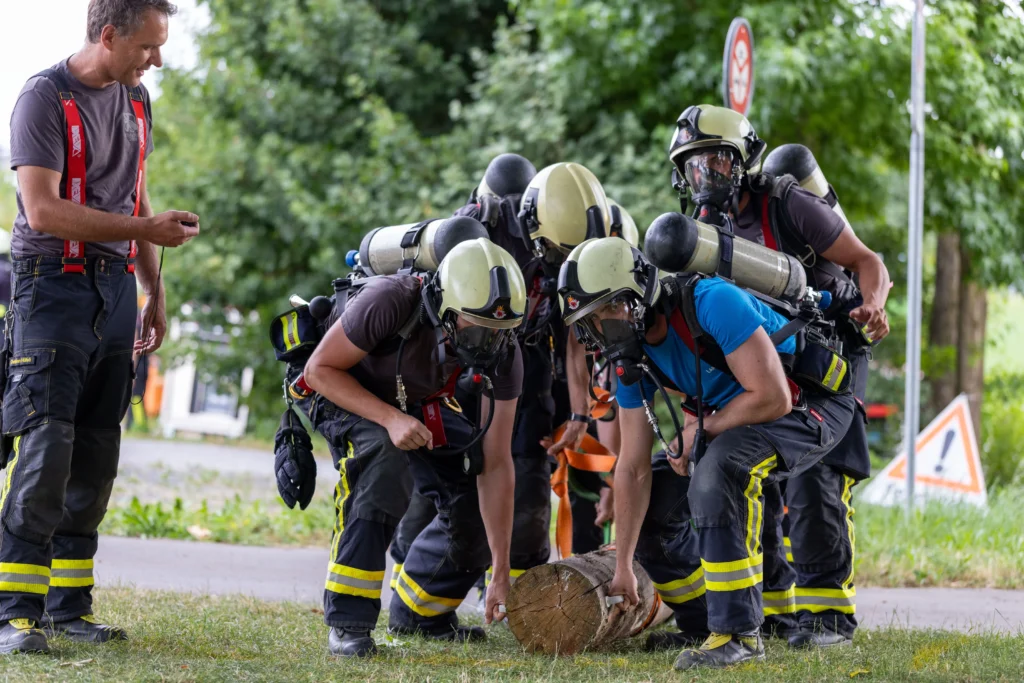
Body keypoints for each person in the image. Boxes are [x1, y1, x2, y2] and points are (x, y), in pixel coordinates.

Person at [1, 0, 199, 655]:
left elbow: (136, 195)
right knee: (47, 450)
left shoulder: (136, 101)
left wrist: (154, 290)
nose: (157, 60)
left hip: (115, 292)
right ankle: (13, 613)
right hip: (50, 286)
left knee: (96, 453)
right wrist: (144, 231)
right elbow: (44, 209)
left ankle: (67, 607)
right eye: (147, 46)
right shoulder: (41, 98)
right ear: (108, 34)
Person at [557, 237, 856, 670]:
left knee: (718, 470)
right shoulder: (631, 356)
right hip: (743, 413)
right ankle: (704, 623)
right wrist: (623, 561)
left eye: (604, 313)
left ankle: (739, 635)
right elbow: (633, 467)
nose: (598, 332)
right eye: (588, 322)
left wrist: (701, 430)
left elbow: (773, 397)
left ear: (635, 297)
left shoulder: (711, 301)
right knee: (655, 504)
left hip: (812, 402)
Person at [667, 103, 891, 647]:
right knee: (750, 471)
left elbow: (868, 261)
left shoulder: (785, 203)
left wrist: (873, 305)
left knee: (819, 479)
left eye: (717, 160)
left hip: (831, 350)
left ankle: (830, 616)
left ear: (742, 161)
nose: (707, 175)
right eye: (694, 165)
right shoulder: (698, 233)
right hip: (766, 360)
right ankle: (776, 611)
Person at [289, 237, 526, 657]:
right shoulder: (390, 300)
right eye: (479, 327)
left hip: (413, 398)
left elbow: (497, 463)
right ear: (447, 309)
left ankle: (423, 613)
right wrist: (391, 418)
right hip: (337, 385)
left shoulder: (503, 352)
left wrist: (501, 569)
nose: (491, 343)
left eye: (501, 331)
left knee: (473, 471)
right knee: (382, 455)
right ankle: (349, 623)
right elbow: (319, 370)